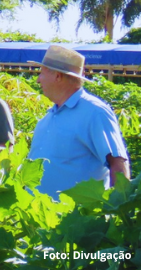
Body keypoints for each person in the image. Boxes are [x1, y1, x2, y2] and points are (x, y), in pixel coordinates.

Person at [27, 45, 130, 199]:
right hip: (36, 218)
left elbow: (118, 164)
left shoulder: (95, 112)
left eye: (41, 73)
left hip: (76, 220)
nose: (37, 79)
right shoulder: (47, 118)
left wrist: (118, 211)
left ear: (57, 76)